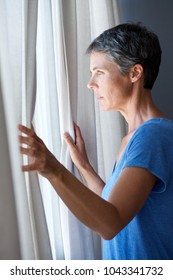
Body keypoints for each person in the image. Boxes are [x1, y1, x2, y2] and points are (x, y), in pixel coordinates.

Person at [18, 22, 173, 260]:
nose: (91, 84)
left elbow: (110, 224)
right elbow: (116, 206)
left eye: (99, 72)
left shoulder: (153, 136)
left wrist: (54, 169)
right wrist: (84, 167)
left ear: (134, 73)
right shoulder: (136, 137)